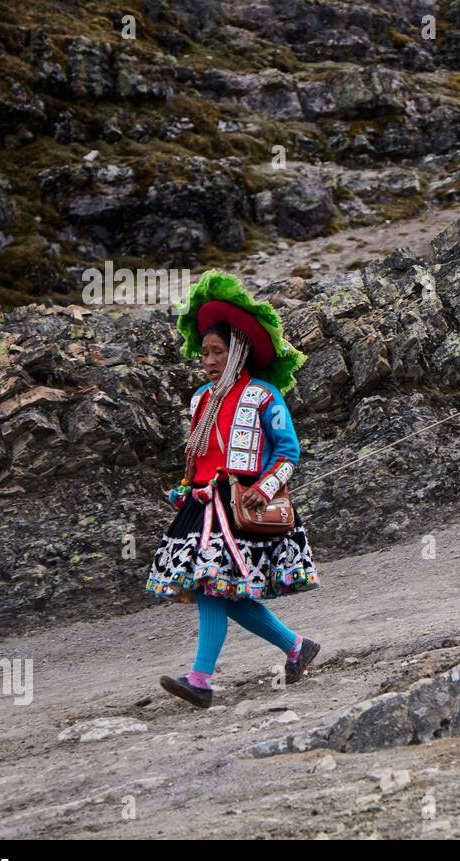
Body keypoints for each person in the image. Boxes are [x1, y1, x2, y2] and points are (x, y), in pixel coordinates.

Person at [145, 270, 322, 708]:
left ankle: (201, 680)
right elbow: (200, 457)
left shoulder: (264, 397)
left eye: (217, 351)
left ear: (238, 350)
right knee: (225, 591)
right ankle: (297, 647)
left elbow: (288, 452)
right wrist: (187, 488)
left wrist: (264, 486)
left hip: (244, 505)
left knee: (213, 588)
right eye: (204, 352)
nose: (208, 360)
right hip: (205, 507)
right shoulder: (199, 400)